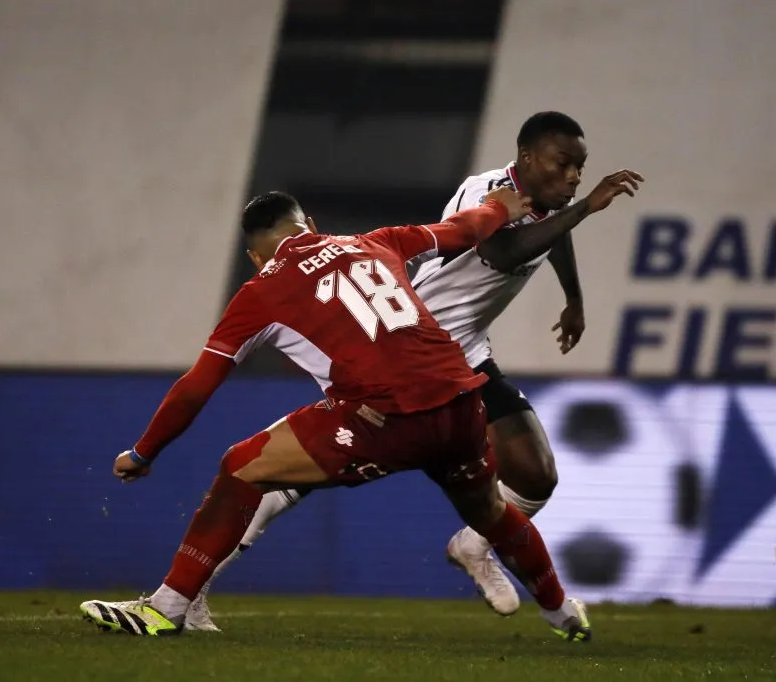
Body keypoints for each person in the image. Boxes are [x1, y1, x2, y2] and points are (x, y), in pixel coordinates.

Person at [184, 112, 646, 631]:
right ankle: (192, 589)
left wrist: (574, 298)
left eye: (580, 170)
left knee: (536, 474)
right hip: (407, 345)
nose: (574, 178)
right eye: (565, 165)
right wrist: (587, 207)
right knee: (292, 477)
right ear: (528, 159)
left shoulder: (545, 199)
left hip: (464, 351)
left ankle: (473, 547)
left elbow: (550, 232)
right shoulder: (486, 192)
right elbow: (503, 248)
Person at [80, 186, 602, 640]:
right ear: (310, 225)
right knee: (490, 512)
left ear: (255, 257)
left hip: (387, 418)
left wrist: (144, 451)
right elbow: (460, 230)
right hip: (464, 402)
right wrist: (498, 208)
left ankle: (166, 608)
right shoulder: (374, 240)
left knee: (242, 467)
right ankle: (563, 614)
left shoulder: (262, 290)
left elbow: (197, 386)